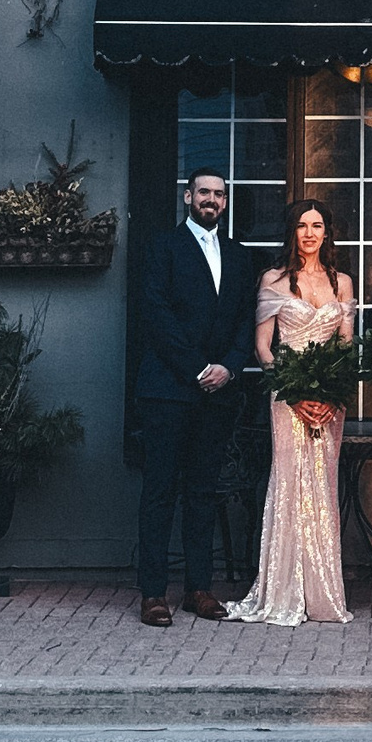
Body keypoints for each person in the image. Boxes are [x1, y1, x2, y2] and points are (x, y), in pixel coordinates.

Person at [216, 199, 353, 625]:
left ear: (327, 232)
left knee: (323, 489)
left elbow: (346, 345)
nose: (310, 233)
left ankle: (322, 593)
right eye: (302, 226)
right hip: (287, 395)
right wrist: (293, 391)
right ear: (291, 232)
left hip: (329, 399)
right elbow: (263, 347)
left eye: (317, 226)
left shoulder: (343, 282)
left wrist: (329, 392)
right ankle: (282, 589)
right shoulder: (273, 279)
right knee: (290, 483)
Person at [133, 166, 258, 627]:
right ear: (188, 197)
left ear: (225, 202)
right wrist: (197, 368)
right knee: (160, 491)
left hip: (218, 393)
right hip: (168, 390)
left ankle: (199, 590)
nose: (211, 200)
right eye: (203, 192)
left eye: (219, 195)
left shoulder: (239, 256)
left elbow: (246, 318)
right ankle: (153, 593)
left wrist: (230, 366)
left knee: (203, 492)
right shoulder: (163, 247)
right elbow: (156, 314)